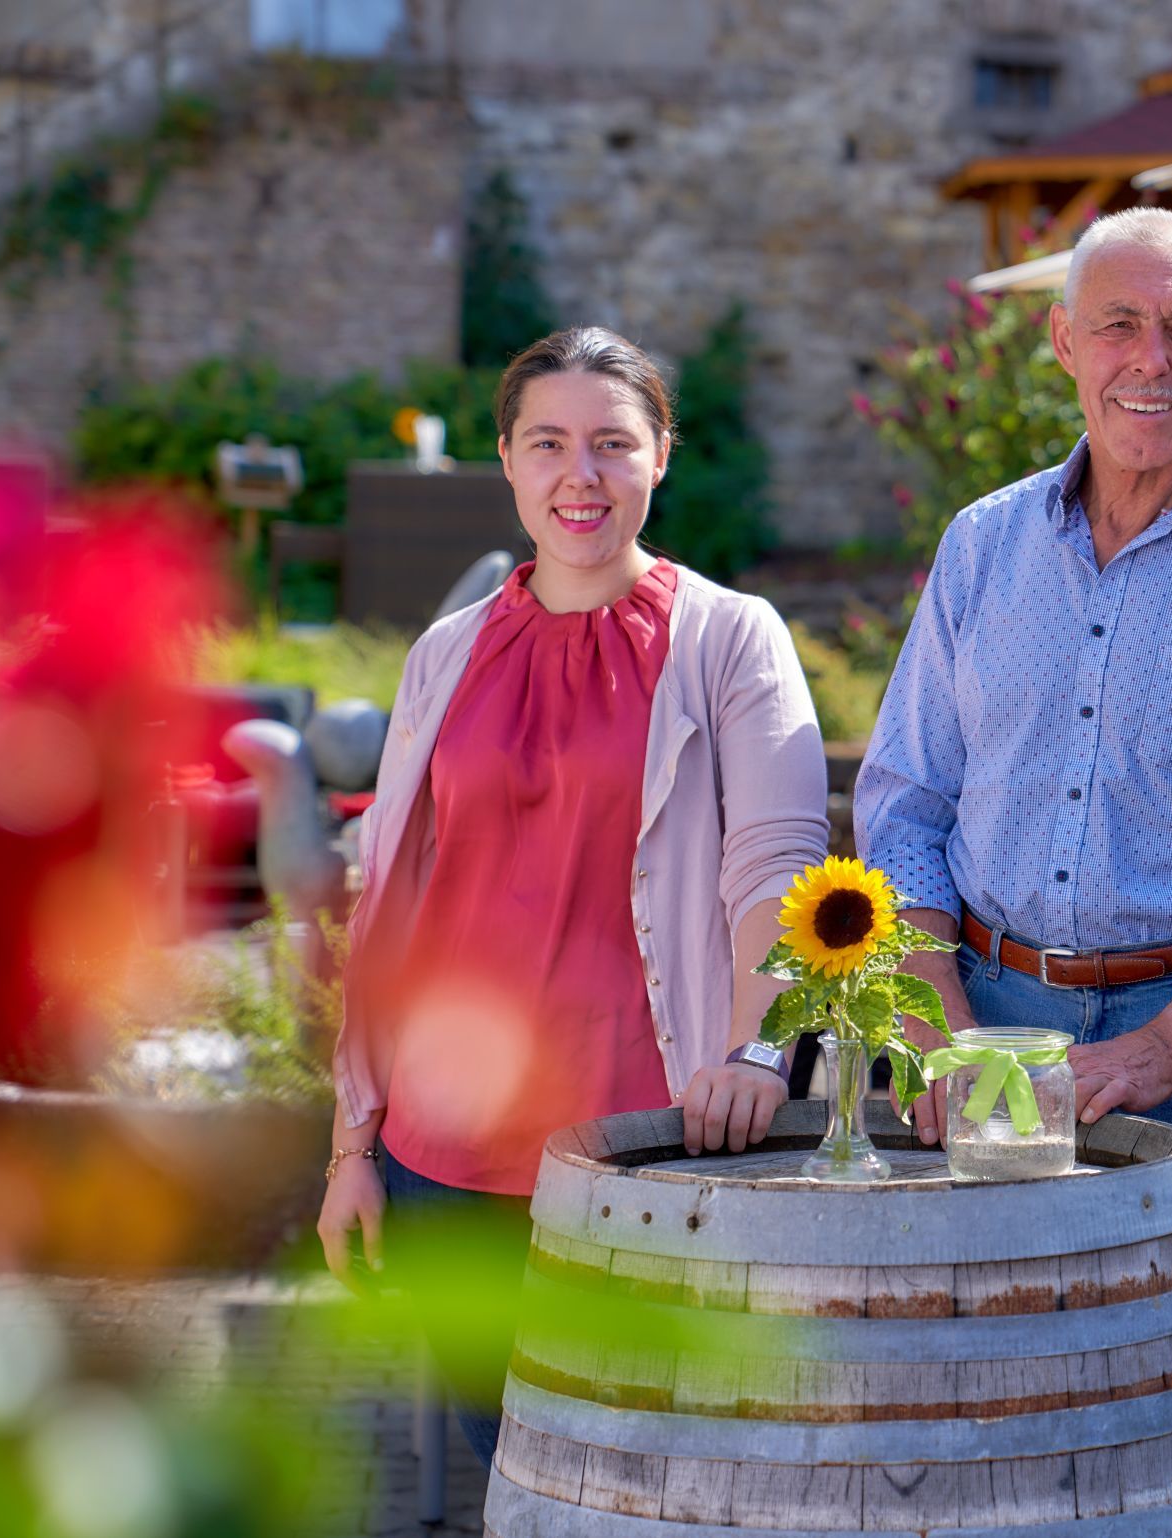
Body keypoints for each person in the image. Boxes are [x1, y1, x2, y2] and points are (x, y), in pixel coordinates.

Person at [854, 208, 1172, 1468]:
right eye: (1120, 325)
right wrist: (940, 1030)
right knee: (977, 1384)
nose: (1151, 357)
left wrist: (1169, 1040)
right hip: (979, 1007)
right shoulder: (983, 544)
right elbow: (907, 801)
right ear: (1062, 343)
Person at [315, 326, 831, 1465]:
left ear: (661, 459)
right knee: (517, 1472)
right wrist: (355, 1144)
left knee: (657, 1472)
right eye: (547, 443)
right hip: (442, 1156)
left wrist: (755, 1052)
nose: (578, 475)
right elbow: (390, 906)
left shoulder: (731, 639)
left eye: (611, 443)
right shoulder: (445, 654)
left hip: (651, 1147)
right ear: (506, 459)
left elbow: (779, 866)